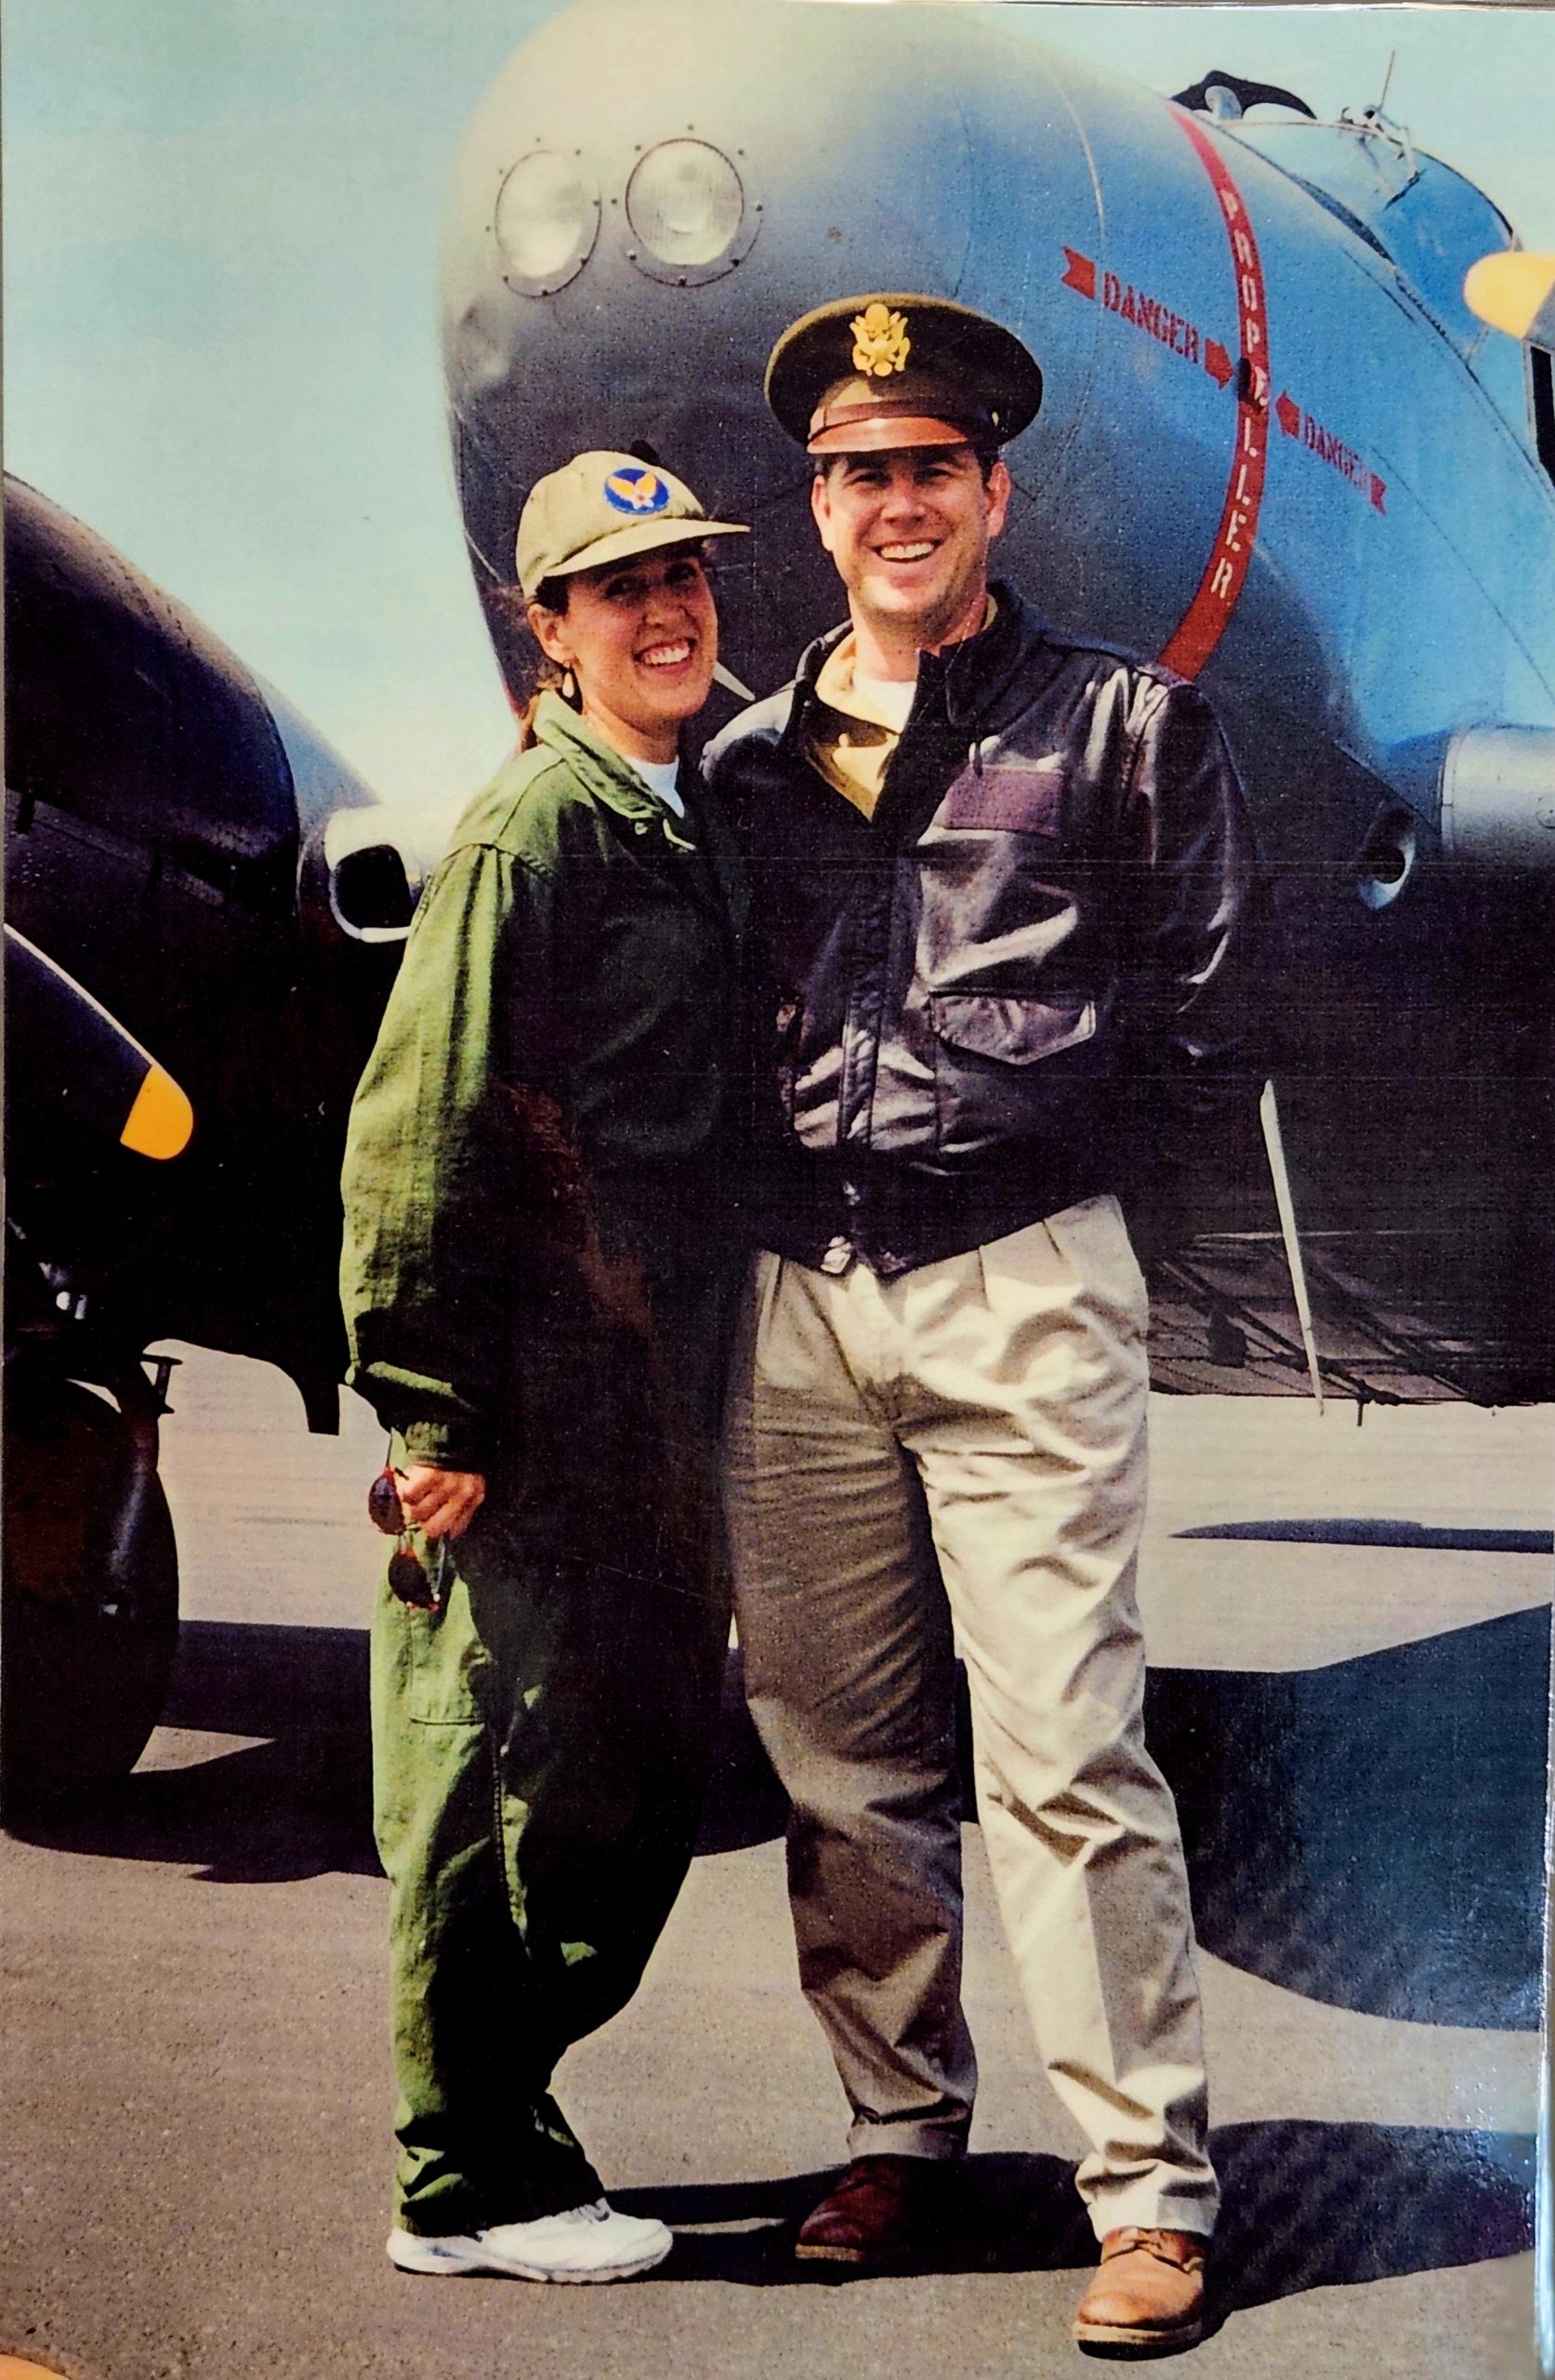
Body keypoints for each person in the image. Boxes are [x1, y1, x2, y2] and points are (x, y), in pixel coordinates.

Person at [705, 295, 1259, 2355]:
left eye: (932, 467)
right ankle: (896, 2133)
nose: (896, 503)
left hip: (1020, 1269)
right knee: (840, 1755)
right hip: (804, 1297)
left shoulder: (1121, 722)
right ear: (819, 505)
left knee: (1064, 1748)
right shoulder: (748, 761)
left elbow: (1211, 1023)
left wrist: (1063, 1201)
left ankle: (1150, 2193)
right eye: (860, 472)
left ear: (993, 490)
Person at [340, 451, 748, 2284]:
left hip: (650, 1418)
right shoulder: (537, 830)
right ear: (552, 626)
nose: (666, 611)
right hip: (530, 1409)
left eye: (686, 576)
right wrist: (435, 1412)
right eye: (619, 587)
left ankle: (512, 2126)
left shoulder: (682, 815)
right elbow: (417, 1130)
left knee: (632, 1781)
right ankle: (465, 2179)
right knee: (494, 1778)